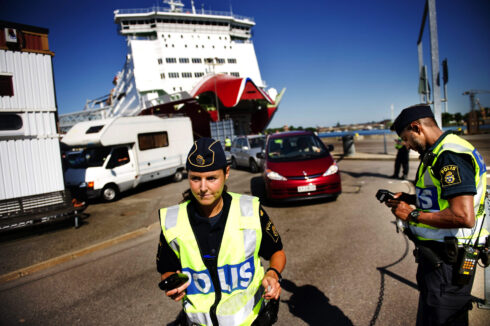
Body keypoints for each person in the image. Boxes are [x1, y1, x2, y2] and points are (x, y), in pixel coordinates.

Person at [156, 137, 286, 326]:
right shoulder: (172, 222)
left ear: (226, 173)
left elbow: (277, 252)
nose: (203, 188)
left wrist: (273, 273)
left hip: (252, 321)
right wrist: (174, 284)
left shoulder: (249, 211)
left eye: (211, 178)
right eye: (195, 179)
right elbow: (166, 269)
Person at [385, 104, 488, 326]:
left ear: (416, 127)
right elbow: (444, 197)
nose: (406, 145)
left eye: (406, 138)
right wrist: (410, 199)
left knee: (443, 319)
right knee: (433, 315)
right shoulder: (438, 152)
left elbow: (463, 216)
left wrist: (412, 216)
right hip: (440, 258)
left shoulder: (449, 155)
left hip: (449, 259)